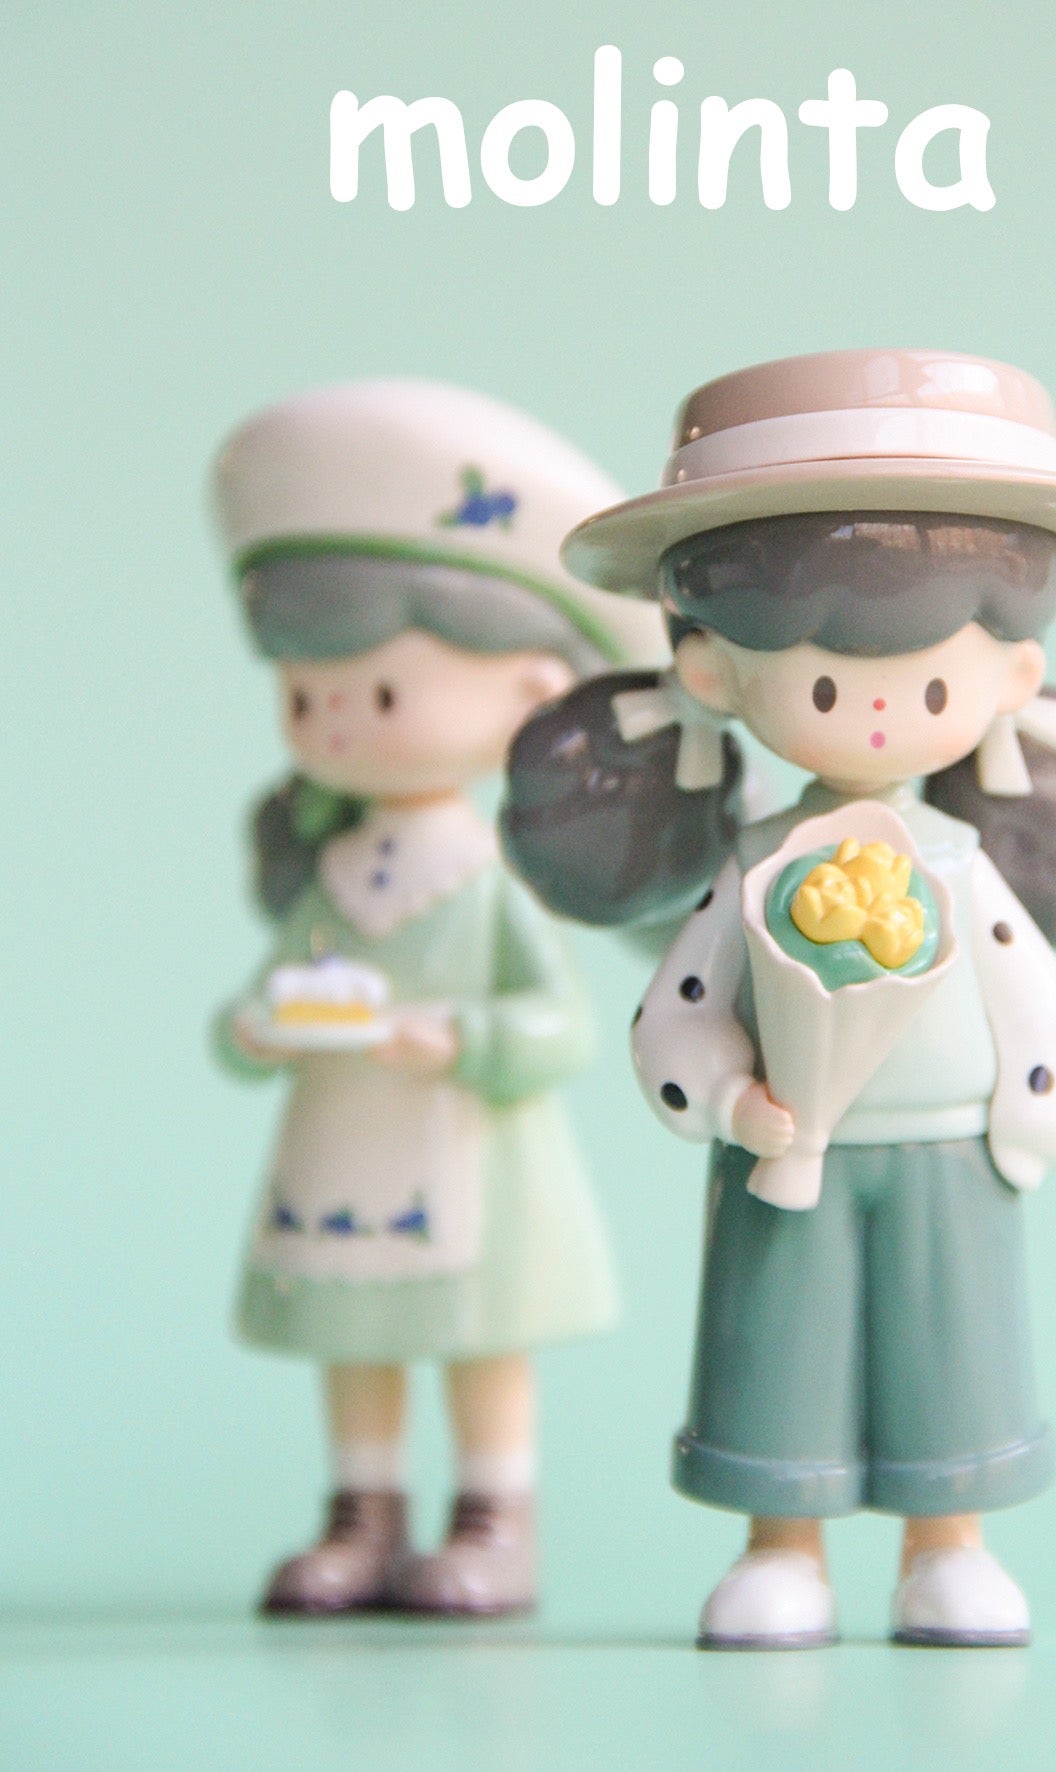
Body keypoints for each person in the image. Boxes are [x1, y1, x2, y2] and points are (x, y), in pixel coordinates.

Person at [502, 348, 1056, 1648]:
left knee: (953, 1346)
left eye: (929, 686)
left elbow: (1033, 994)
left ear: (1011, 680)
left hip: (945, 1152)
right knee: (778, 1346)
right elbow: (684, 1001)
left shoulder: (962, 863)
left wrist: (1037, 1108)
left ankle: (946, 1545)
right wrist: (726, 1095)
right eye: (821, 685)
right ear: (712, 673)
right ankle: (783, 1547)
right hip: (786, 1147)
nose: (869, 717)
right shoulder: (753, 863)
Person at [210, 379, 665, 1616]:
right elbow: (260, 1002)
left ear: (532, 687)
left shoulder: (493, 880)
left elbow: (561, 1025)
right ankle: (361, 1512)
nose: (335, 723)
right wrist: (255, 1029)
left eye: (380, 692)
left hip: (471, 1158)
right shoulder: (333, 877)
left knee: (478, 1333)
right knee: (353, 1330)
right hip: (342, 1141)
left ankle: (492, 1514)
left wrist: (454, 1036)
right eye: (306, 694)